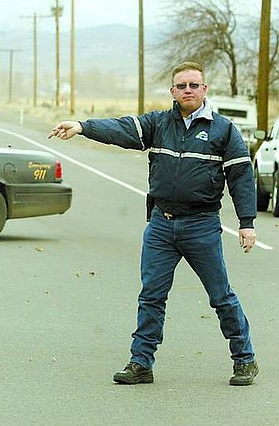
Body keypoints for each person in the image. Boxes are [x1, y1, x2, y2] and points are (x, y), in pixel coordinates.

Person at [48, 61, 259, 386]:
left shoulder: (223, 130)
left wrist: (247, 222)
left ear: (204, 89)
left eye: (193, 85)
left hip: (201, 225)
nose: (187, 90)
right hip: (162, 225)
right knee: (151, 296)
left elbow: (241, 176)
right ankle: (141, 363)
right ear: (173, 91)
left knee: (221, 296)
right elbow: (121, 129)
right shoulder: (159, 123)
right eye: (181, 86)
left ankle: (244, 359)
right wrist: (82, 126)